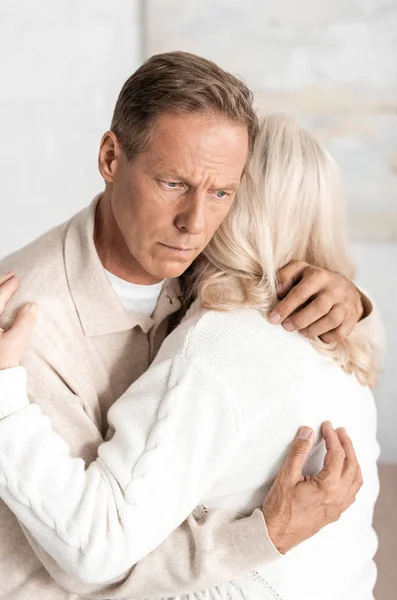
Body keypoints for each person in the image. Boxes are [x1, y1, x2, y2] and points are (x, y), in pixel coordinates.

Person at [0, 52, 377, 600]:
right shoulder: (22, 332)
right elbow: (86, 563)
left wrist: (347, 297)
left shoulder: (203, 264)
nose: (194, 223)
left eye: (221, 193)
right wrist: (261, 538)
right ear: (110, 157)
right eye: (172, 184)